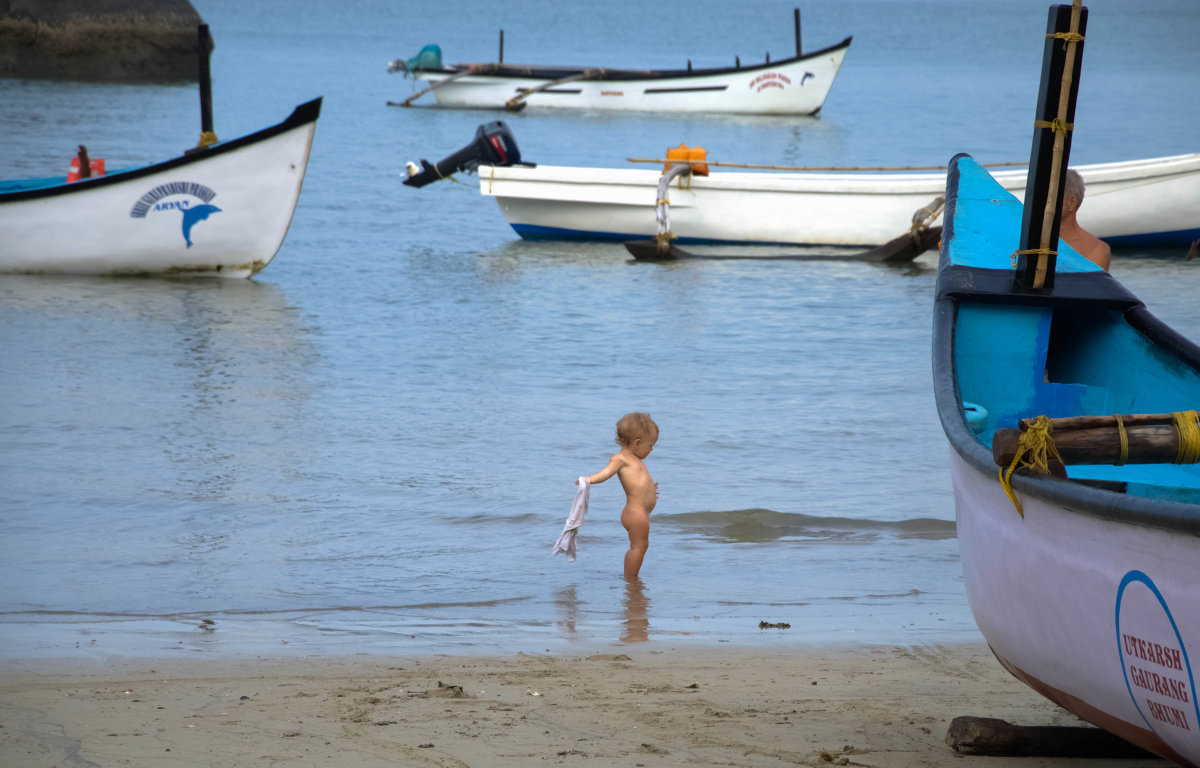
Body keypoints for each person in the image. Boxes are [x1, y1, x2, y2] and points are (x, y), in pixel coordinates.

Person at [579, 413, 659, 581]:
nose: (651, 449)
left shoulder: (635, 459)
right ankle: (630, 579)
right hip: (635, 513)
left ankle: (631, 577)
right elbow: (605, 473)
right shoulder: (621, 458)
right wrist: (588, 480)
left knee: (641, 546)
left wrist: (650, 490)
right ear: (637, 443)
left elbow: (637, 484)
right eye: (651, 445)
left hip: (641, 512)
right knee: (639, 546)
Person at [1059, 169, 1112, 271]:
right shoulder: (1029, 241)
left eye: (1049, 197)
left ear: (1071, 202)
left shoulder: (1097, 249)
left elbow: (1087, 285)